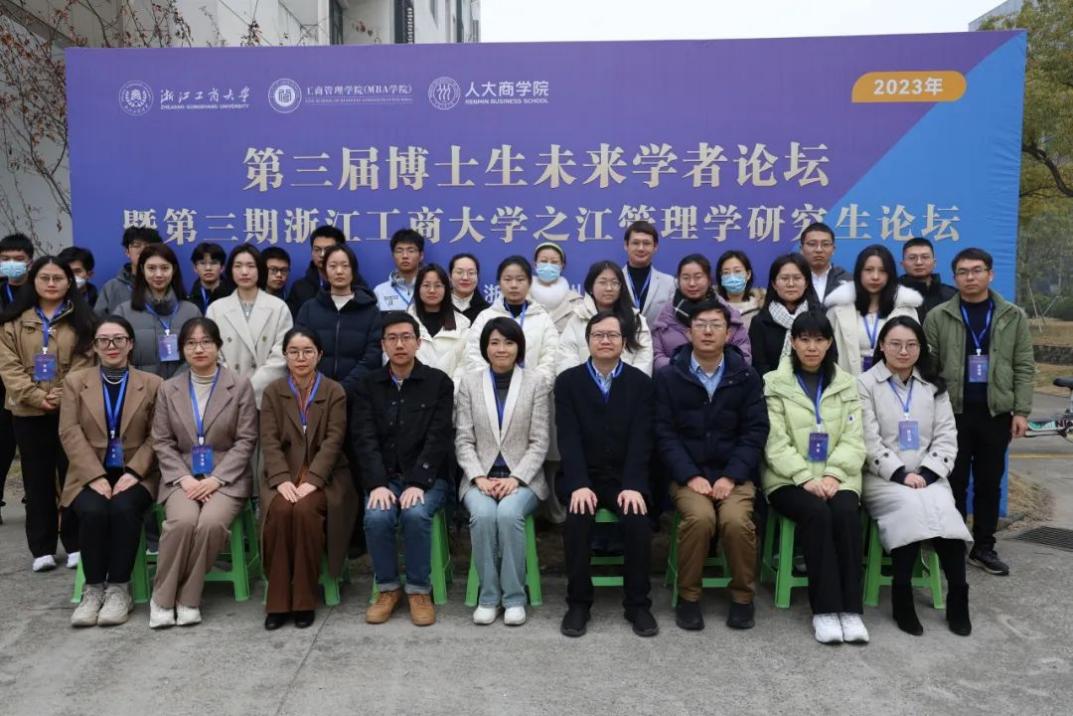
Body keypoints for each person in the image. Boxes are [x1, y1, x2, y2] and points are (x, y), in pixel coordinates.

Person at [653, 301, 769, 631]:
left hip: (735, 476)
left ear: (728, 333)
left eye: (715, 325)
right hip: (688, 476)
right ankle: (689, 597)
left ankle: (743, 597)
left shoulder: (745, 376)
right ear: (688, 332)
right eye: (700, 324)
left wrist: (732, 476)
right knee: (700, 519)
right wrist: (689, 475)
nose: (707, 331)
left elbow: (755, 431)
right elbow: (663, 432)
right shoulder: (669, 376)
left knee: (735, 521)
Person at [858, 316, 972, 636]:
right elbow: (867, 439)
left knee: (945, 512)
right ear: (882, 346)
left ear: (921, 348)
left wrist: (928, 473)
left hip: (928, 474)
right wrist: (898, 473)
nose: (903, 351)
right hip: (882, 477)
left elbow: (946, 436)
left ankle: (959, 596)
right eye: (895, 344)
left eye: (911, 344)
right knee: (909, 509)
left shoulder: (933, 386)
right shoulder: (865, 384)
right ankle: (902, 595)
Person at [923, 247, 1034, 577]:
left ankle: (984, 546)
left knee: (989, 482)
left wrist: (1021, 410)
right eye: (963, 272)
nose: (970, 277)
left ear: (990, 274)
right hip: (951, 413)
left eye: (976, 270)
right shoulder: (938, 316)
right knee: (952, 480)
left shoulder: (1012, 316)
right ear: (954, 277)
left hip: (995, 413)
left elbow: (1023, 365)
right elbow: (928, 367)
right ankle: (953, 542)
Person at [762, 311, 868, 644]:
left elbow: (855, 438)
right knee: (817, 514)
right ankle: (825, 610)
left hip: (840, 476)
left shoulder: (847, 383)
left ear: (829, 343)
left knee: (846, 513)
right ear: (793, 342)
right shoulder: (773, 383)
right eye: (804, 339)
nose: (812, 347)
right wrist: (804, 477)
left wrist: (834, 475)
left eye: (819, 340)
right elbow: (774, 441)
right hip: (787, 478)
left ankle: (851, 610)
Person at [149, 318, 257, 628]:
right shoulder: (168, 388)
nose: (199, 349)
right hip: (181, 476)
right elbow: (162, 441)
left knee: (210, 524)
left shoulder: (239, 385)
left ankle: (188, 597)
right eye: (191, 343)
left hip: (226, 477)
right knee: (182, 522)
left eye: (206, 342)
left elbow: (246, 439)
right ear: (182, 349)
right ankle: (162, 599)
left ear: (218, 346)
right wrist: (183, 478)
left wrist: (216, 479)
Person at [556, 312, 657, 638]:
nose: (605, 340)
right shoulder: (568, 382)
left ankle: (638, 604)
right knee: (577, 520)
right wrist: (579, 484)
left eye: (612, 335)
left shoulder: (641, 383)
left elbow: (643, 439)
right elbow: (568, 438)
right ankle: (578, 603)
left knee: (638, 520)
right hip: (583, 476)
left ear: (624, 342)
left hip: (625, 478)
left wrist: (633, 485)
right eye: (598, 335)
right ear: (587, 341)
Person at [60, 316, 163, 627]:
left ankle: (119, 589)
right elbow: (69, 431)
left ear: (130, 344)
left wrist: (135, 472)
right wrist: (94, 476)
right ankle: (93, 590)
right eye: (103, 340)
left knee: (122, 508)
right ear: (94, 346)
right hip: (88, 472)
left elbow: (158, 435)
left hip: (137, 472)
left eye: (119, 339)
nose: (111, 346)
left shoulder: (153, 384)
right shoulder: (75, 382)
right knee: (92, 510)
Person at [352, 312, 454, 627]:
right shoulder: (367, 385)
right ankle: (388, 588)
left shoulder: (438, 382)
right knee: (377, 516)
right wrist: (377, 483)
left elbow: (439, 438)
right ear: (383, 345)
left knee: (415, 514)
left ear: (418, 342)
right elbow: (363, 438)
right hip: (384, 478)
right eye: (392, 338)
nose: (400, 344)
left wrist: (418, 482)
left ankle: (419, 590)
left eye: (406, 337)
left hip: (427, 478)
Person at [259, 327, 358, 630]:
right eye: (294, 352)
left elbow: (334, 440)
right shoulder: (273, 391)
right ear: (285, 355)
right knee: (279, 511)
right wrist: (281, 479)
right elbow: (269, 441)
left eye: (307, 351)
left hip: (325, 477)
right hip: (284, 476)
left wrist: (313, 480)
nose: (300, 358)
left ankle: (304, 599)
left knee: (304, 511)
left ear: (319, 355)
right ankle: (278, 603)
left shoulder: (333, 391)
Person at [0, 256, 95, 571]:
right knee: (36, 479)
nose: (51, 284)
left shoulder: (82, 320)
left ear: (69, 282)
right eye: (45, 278)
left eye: (58, 278)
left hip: (71, 411)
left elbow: (85, 363)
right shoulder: (13, 321)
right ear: (34, 281)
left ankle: (76, 543)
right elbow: (9, 367)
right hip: (27, 412)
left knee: (73, 476)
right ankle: (41, 548)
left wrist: (60, 395)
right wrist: (37, 397)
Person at [455, 318, 551, 626]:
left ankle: (514, 599)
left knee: (509, 515)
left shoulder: (535, 382)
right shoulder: (470, 383)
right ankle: (488, 598)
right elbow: (463, 439)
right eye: (494, 342)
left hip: (523, 479)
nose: (501, 349)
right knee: (483, 516)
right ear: (485, 347)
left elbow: (539, 441)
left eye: (509, 343)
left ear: (519, 347)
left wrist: (515, 478)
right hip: (480, 478)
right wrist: (478, 477)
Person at [205, 245, 292, 405]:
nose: (244, 272)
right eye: (238, 266)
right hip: (228, 395)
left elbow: (282, 354)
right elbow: (213, 354)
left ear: (260, 269)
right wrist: (234, 387)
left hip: (266, 396)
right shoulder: (216, 309)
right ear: (230, 270)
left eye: (251, 266)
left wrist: (249, 387)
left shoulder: (278, 307)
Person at [294, 244, 383, 397]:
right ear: (324, 272)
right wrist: (320, 386)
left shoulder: (370, 310)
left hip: (358, 394)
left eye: (345, 266)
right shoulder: (309, 309)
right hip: (314, 393)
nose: (339, 271)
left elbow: (373, 356)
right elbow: (299, 349)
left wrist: (344, 388)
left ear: (353, 271)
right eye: (333, 266)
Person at [824, 244, 922, 375]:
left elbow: (917, 351)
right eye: (869, 270)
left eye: (882, 271)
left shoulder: (906, 310)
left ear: (890, 274)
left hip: (894, 382)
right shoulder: (838, 310)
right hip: (848, 382)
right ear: (859, 272)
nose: (875, 276)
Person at [465, 256, 560, 384]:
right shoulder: (485, 317)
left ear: (530, 282)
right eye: (507, 279)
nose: (514, 285)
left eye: (520, 279)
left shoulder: (542, 318)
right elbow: (473, 355)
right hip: (491, 389)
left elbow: (551, 358)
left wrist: (534, 386)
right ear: (499, 283)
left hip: (533, 390)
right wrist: (490, 384)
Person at [115, 244, 201, 380]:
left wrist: (173, 385)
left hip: (182, 388)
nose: (159, 274)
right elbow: (115, 355)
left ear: (174, 270)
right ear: (142, 270)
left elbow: (199, 354)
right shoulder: (123, 312)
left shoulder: (191, 311)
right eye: (151, 268)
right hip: (140, 388)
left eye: (165, 268)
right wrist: (147, 384)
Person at [652, 254, 751, 370]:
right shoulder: (665, 316)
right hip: (675, 379)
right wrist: (686, 366)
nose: (692, 283)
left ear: (709, 280)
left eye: (698, 277)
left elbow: (744, 356)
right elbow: (656, 358)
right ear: (678, 280)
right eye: (686, 278)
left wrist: (711, 367)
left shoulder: (728, 314)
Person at [557, 261, 653, 375]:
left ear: (621, 287)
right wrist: (584, 383)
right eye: (602, 282)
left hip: (628, 385)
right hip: (583, 384)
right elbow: (566, 357)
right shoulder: (578, 317)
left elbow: (644, 359)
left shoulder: (635, 319)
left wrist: (627, 383)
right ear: (591, 287)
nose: (609, 288)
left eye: (615, 283)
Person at [0, 233, 34, 524]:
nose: (11, 264)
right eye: (5, 259)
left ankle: (36, 499)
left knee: (34, 447)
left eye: (18, 259)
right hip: (1, 378)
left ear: (30, 261)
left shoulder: (40, 291)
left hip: (35, 378)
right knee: (2, 444)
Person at [748, 253, 823, 377]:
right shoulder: (760, 322)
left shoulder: (819, 318)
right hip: (771, 387)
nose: (791, 284)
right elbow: (758, 366)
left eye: (797, 278)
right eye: (784, 278)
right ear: (774, 284)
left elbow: (829, 359)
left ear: (806, 283)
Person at [410, 264, 471, 383]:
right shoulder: (404, 323)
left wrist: (448, 390)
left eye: (438, 285)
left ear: (446, 289)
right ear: (418, 289)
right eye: (426, 285)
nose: (432, 290)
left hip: (452, 392)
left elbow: (465, 367)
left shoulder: (463, 327)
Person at [95, 226, 162, 315]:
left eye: (147, 246)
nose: (142, 250)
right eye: (136, 246)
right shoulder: (112, 287)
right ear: (127, 252)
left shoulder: (165, 283)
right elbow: (99, 319)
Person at [621, 220, 675, 327]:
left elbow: (673, 322)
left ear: (655, 247)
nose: (641, 248)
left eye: (646, 243)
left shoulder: (669, 283)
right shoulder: (614, 281)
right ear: (626, 245)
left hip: (657, 337)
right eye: (635, 243)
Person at [287, 225, 351, 316]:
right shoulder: (299, 287)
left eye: (328, 249)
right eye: (317, 249)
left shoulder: (355, 286)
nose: (322, 254)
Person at [528, 242, 584, 333]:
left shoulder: (576, 302)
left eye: (554, 262)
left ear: (562, 266)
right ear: (535, 264)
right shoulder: (523, 297)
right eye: (543, 261)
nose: (548, 266)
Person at [899, 237, 957, 320]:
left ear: (934, 263)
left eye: (925, 257)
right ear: (903, 264)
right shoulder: (891, 294)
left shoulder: (952, 296)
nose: (919, 262)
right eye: (912, 258)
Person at [374, 229, 424, 311]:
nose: (405, 256)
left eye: (411, 251)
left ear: (421, 255)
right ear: (393, 255)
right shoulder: (380, 291)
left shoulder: (431, 289)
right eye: (399, 251)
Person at [715, 249, 765, 329]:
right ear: (721, 276)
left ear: (748, 274)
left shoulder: (760, 307)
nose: (732, 277)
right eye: (726, 272)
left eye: (737, 271)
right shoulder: (713, 306)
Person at [799, 222, 850, 299]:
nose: (819, 250)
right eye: (812, 244)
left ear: (833, 249)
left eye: (825, 244)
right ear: (801, 249)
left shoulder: (848, 280)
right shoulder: (792, 281)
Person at [188, 242, 232, 314]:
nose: (208, 268)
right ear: (195, 268)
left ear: (222, 268)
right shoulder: (189, 299)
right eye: (202, 263)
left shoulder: (232, 296)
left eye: (213, 263)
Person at [449, 253, 490, 323]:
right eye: (459, 272)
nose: (465, 277)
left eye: (471, 273)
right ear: (450, 276)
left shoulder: (487, 312)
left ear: (478, 277)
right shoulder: (439, 307)